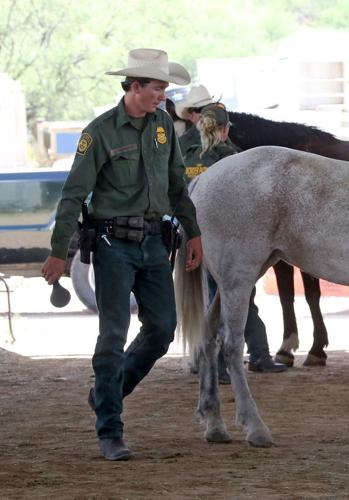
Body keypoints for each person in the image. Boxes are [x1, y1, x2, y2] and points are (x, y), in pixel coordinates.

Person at [41, 48, 203, 461]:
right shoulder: (100, 132)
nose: (163, 96)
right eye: (157, 88)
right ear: (134, 87)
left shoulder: (163, 126)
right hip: (113, 246)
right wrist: (58, 253)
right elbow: (73, 194)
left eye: (165, 88)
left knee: (163, 329)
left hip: (155, 243)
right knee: (112, 336)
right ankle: (110, 430)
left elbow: (177, 185)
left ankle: (105, 393)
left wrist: (194, 233)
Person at [183, 102, 287, 382]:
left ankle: (211, 358)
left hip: (192, 234)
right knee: (232, 297)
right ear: (225, 129)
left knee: (213, 297)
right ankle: (227, 360)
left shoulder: (184, 152)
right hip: (228, 238)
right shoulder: (233, 158)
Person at [175, 84, 213, 155]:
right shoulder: (182, 144)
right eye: (200, 109)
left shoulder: (227, 130)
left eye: (210, 107)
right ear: (191, 116)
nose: (207, 112)